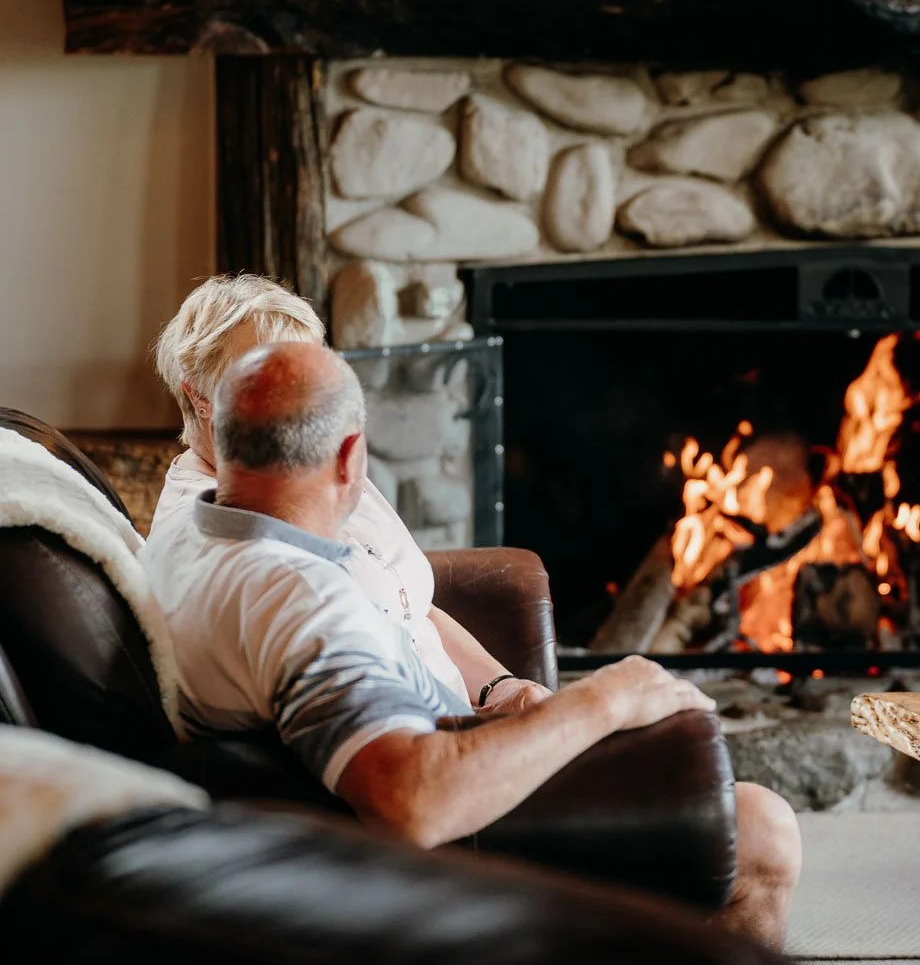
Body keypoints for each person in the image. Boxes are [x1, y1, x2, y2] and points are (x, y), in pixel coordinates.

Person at [140, 341, 802, 947]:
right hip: (451, 836)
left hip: (414, 758)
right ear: (349, 456)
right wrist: (601, 700)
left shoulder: (188, 530)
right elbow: (411, 802)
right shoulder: (299, 601)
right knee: (764, 827)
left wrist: (505, 693)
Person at [151, 274, 545, 713]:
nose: (302, 401)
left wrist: (502, 687)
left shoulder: (312, 462)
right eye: (263, 375)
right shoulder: (236, 536)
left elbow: (411, 606)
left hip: (462, 715)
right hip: (431, 735)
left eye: (305, 370)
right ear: (198, 395)